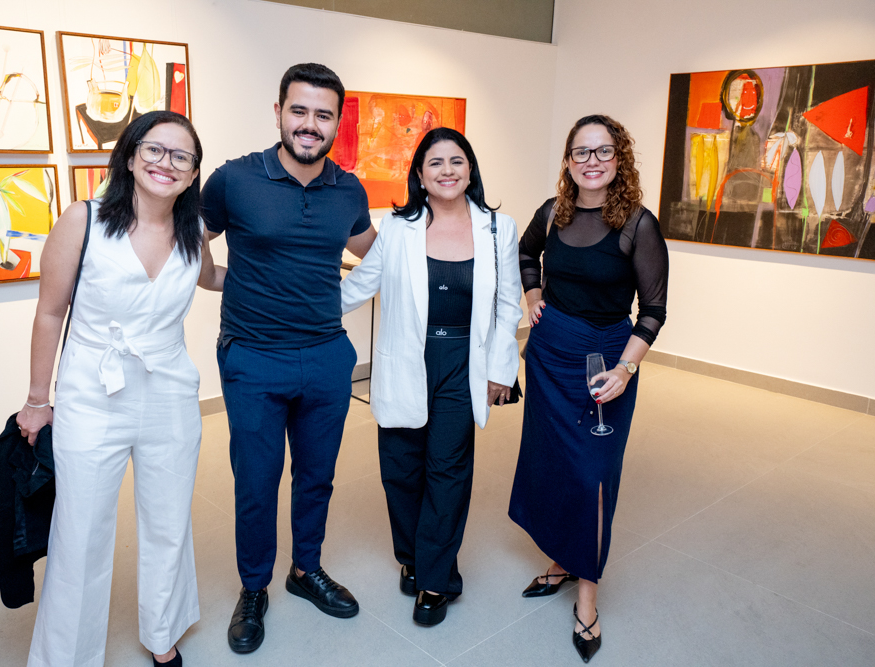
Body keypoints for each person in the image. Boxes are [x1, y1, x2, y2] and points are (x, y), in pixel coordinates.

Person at [16, 110, 215, 667]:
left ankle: (163, 631)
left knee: (169, 518)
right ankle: (67, 655)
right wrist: (38, 401)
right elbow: (50, 314)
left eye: (182, 157)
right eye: (154, 149)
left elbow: (214, 277)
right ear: (129, 154)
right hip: (91, 393)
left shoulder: (191, 230)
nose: (166, 164)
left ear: (193, 171)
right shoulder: (83, 219)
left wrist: (284, 263)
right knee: (81, 529)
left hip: (169, 391)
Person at [199, 63, 377, 654]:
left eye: (323, 114)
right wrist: (223, 278)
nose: (309, 124)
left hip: (328, 356)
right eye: (298, 111)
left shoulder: (348, 190)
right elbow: (188, 236)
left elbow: (367, 248)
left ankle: (306, 570)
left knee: (317, 476)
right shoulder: (234, 180)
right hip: (253, 358)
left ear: (336, 123)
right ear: (278, 112)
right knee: (256, 481)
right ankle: (254, 588)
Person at [341, 127, 522, 626]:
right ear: (419, 173)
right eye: (435, 162)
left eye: (457, 161)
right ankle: (412, 556)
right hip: (406, 360)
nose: (447, 170)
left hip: (464, 362)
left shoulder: (497, 229)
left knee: (448, 470)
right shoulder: (397, 228)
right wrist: (297, 310)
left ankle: (436, 580)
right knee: (400, 469)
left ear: (471, 170)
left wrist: (502, 369)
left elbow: (508, 305)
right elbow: (360, 285)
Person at [508, 114, 668, 663]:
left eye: (602, 152)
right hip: (551, 354)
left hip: (605, 363)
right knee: (552, 464)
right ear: (569, 161)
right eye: (581, 152)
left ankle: (588, 596)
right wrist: (533, 297)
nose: (591, 161)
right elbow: (526, 255)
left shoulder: (637, 226)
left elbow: (653, 310)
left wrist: (625, 371)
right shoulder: (552, 214)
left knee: (594, 476)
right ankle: (559, 560)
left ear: (618, 161)